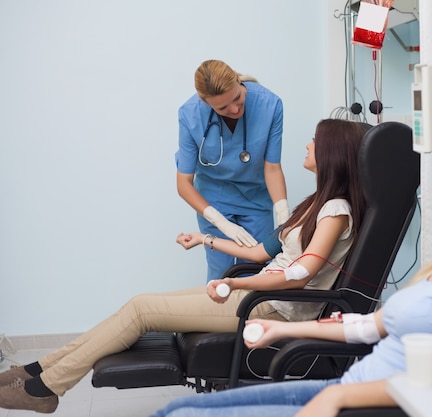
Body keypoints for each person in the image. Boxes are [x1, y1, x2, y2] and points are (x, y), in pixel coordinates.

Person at [146, 141, 432, 417]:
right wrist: (277, 328)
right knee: (173, 411)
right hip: (349, 387)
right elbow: (367, 326)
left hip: (365, 404)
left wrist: (339, 395)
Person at [0, 119, 368, 414]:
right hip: (259, 294)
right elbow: (258, 252)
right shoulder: (314, 204)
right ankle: (38, 371)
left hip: (272, 309)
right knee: (139, 304)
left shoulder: (336, 210)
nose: (308, 145)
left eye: (315, 141)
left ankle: (44, 388)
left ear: (332, 153)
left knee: (142, 310)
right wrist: (205, 239)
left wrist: (239, 287)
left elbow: (300, 273)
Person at [177, 59, 289, 282]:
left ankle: (254, 319)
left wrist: (284, 215)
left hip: (255, 199)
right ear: (204, 101)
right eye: (222, 108)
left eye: (237, 98)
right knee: (221, 274)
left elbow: (273, 168)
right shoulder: (190, 115)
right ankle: (220, 317)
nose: (235, 109)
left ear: (238, 81)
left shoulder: (270, 105)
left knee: (259, 270)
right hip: (213, 200)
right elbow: (183, 183)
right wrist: (220, 222)